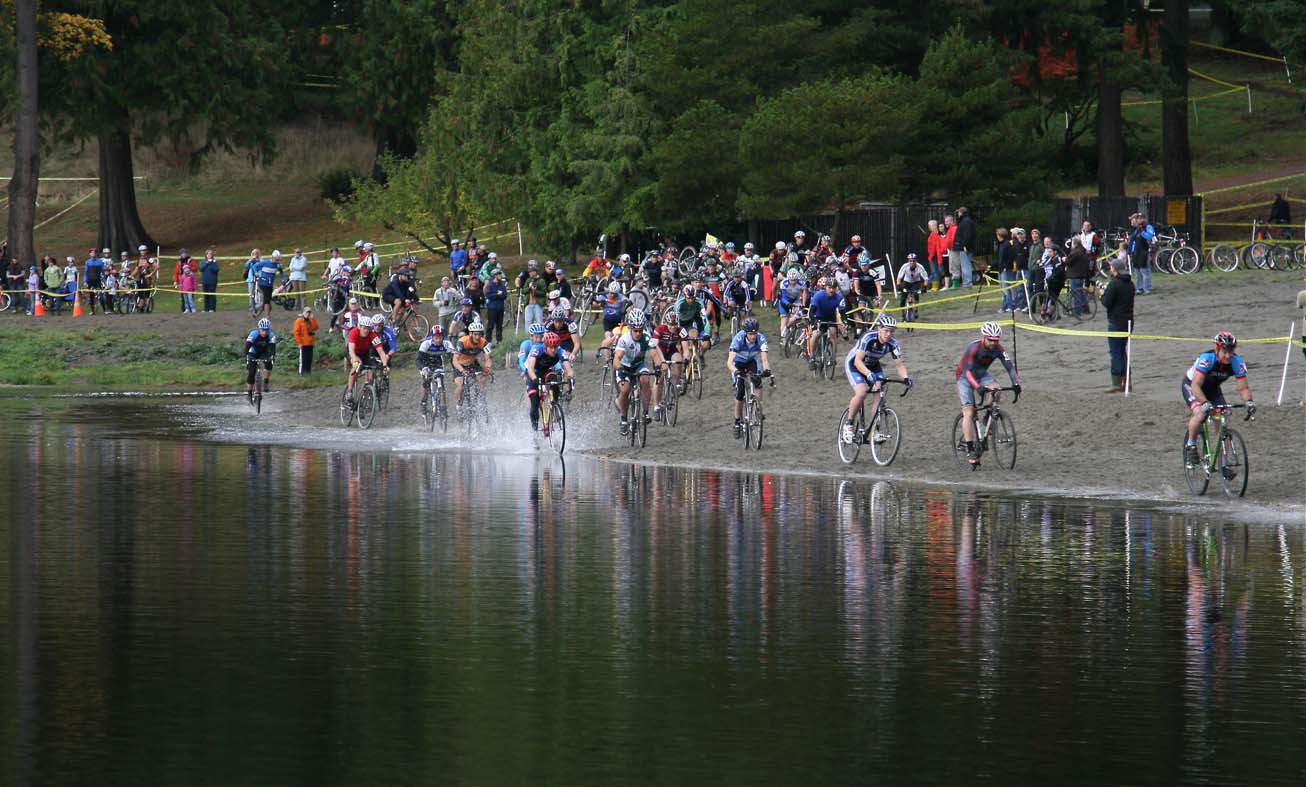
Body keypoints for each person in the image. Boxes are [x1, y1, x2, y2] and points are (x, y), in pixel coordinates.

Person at [1182, 332, 1255, 466]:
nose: (1228, 355)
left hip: (1213, 389)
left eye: (1231, 351)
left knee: (1223, 423)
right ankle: (1191, 445)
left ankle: (1223, 463)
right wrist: (1204, 403)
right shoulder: (1207, 359)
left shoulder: (1237, 362)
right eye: (1224, 352)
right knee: (1200, 413)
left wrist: (1249, 402)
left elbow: (1243, 388)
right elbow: (1195, 385)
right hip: (1193, 386)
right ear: (1217, 349)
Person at [955, 321, 1021, 465]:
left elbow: (1009, 367)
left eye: (996, 340)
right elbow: (967, 372)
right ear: (983, 337)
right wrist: (978, 388)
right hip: (965, 376)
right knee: (969, 411)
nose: (993, 343)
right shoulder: (973, 348)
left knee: (997, 390)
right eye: (990, 340)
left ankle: (987, 418)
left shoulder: (999, 348)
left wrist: (1016, 384)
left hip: (981, 374)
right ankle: (971, 448)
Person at [842, 315, 912, 444]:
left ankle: (875, 430)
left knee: (879, 393)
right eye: (886, 330)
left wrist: (906, 378)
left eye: (891, 331)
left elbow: (899, 364)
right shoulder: (868, 338)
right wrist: (868, 374)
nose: (889, 334)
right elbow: (858, 361)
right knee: (862, 392)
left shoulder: (893, 344)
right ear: (879, 329)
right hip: (855, 364)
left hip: (873, 365)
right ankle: (849, 424)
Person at [612, 309, 665, 433]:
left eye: (640, 330)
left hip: (639, 365)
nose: (638, 333)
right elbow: (616, 358)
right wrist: (619, 368)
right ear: (630, 328)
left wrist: (658, 367)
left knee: (646, 379)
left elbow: (654, 355)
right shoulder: (624, 339)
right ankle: (624, 419)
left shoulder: (646, 337)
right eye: (635, 330)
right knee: (624, 390)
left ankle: (645, 412)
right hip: (624, 367)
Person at [727, 317, 772, 435]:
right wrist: (736, 371)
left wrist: (767, 371)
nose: (753, 336)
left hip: (751, 362)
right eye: (750, 334)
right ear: (745, 333)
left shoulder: (761, 338)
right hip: (738, 364)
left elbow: (764, 359)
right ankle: (737, 420)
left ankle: (758, 408)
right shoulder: (738, 339)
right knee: (740, 391)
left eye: (755, 333)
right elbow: (729, 362)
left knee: (758, 381)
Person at [524, 331, 575, 432]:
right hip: (533, 372)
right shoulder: (537, 349)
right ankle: (534, 430)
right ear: (546, 346)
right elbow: (530, 369)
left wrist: (570, 378)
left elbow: (569, 369)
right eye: (551, 347)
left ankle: (554, 405)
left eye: (555, 347)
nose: (553, 350)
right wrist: (534, 380)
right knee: (534, 402)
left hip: (547, 371)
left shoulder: (560, 351)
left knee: (554, 382)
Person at [1100, 257, 1134, 392]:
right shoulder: (1130, 284)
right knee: (1123, 351)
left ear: (1115, 269)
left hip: (1116, 321)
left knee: (1116, 352)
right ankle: (1127, 381)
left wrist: (1102, 295)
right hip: (1128, 321)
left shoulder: (1114, 284)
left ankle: (1117, 382)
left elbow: (1107, 302)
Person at [345, 316, 390, 404]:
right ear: (359, 327)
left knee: (371, 373)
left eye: (368, 328)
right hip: (352, 352)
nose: (366, 330)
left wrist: (385, 366)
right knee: (356, 366)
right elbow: (351, 350)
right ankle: (349, 391)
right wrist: (355, 359)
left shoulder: (372, 335)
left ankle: (366, 395)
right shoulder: (354, 332)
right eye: (364, 328)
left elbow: (381, 352)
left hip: (365, 353)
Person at [804, 277, 847, 368]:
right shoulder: (818, 295)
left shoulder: (839, 297)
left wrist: (844, 322)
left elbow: (843, 313)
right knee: (816, 334)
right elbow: (811, 311)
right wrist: (814, 321)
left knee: (833, 332)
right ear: (825, 287)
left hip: (830, 317)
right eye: (829, 287)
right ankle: (812, 357)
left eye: (834, 288)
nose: (831, 290)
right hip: (817, 316)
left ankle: (833, 357)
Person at [451, 320, 492, 408]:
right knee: (460, 385)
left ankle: (481, 399)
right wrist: (462, 370)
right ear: (470, 334)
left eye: (479, 334)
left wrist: (487, 368)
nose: (478, 337)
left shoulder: (484, 342)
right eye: (475, 334)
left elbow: (488, 359)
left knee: (482, 380)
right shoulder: (462, 342)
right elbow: (454, 360)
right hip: (459, 364)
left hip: (472, 362)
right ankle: (458, 404)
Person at [244, 318, 277, 402]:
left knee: (269, 362)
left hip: (264, 352)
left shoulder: (271, 335)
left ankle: (266, 382)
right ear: (259, 329)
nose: (265, 332)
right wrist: (246, 357)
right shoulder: (254, 334)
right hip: (253, 352)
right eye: (263, 330)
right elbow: (247, 347)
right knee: (251, 373)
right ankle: (249, 393)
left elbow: (272, 348)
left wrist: (272, 356)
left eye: (266, 330)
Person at [1063, 238, 1092, 317]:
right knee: (1081, 293)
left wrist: (1064, 259)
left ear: (1074, 243)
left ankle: (1077, 311)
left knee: (1076, 294)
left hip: (1075, 275)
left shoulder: (1075, 252)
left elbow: (1068, 261)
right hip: (1081, 275)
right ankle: (1086, 309)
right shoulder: (1083, 250)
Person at [1128, 213, 1156, 295]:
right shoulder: (1137, 229)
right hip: (1136, 252)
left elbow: (1149, 237)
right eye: (1138, 219)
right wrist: (1130, 251)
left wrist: (1143, 232)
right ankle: (1139, 288)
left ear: (1144, 219)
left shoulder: (1148, 227)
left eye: (1140, 218)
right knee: (1137, 271)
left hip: (1144, 251)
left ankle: (1147, 288)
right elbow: (1133, 240)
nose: (1139, 220)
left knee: (1145, 270)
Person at [951, 207, 977, 287]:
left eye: (958, 212)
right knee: (965, 265)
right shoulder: (965, 221)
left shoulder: (966, 222)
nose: (957, 214)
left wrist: (962, 244)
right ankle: (966, 282)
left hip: (965, 247)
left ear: (961, 213)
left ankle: (967, 282)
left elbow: (967, 235)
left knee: (966, 265)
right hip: (966, 246)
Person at [293, 307, 319, 375]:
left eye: (309, 312)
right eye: (307, 312)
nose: (308, 314)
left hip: (310, 343)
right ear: (303, 312)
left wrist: (313, 319)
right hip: (303, 344)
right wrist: (299, 343)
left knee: (309, 360)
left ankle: (308, 373)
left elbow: (316, 327)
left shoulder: (310, 321)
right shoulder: (299, 321)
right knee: (303, 360)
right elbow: (296, 333)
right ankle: (302, 373)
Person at [926, 219, 945, 290]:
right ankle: (929, 282)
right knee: (936, 271)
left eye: (929, 226)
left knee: (935, 271)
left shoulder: (934, 234)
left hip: (934, 256)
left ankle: (932, 285)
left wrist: (931, 256)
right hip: (935, 255)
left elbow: (934, 247)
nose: (929, 227)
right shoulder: (936, 234)